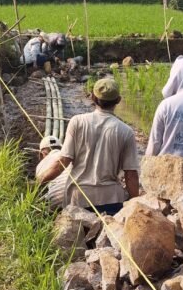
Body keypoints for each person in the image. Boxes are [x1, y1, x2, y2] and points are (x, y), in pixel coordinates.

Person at [39, 78, 139, 216]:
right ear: (118, 100)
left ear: (92, 97)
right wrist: (136, 204)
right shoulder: (126, 131)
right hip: (111, 201)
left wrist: (39, 181)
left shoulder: (77, 122)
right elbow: (131, 175)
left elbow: (63, 162)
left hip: (78, 199)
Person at [35, 135, 69, 209]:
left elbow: (39, 189)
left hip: (58, 202)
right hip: (82, 198)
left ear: (41, 154)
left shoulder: (40, 165)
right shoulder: (69, 157)